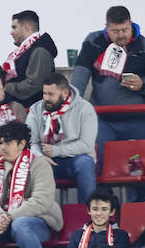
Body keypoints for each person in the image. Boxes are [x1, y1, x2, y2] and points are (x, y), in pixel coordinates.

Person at [69, 5, 145, 173]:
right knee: (100, 169)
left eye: (125, 30)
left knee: (139, 172)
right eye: (115, 31)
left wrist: (143, 85)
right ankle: (101, 192)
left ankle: (136, 192)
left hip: (140, 121)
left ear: (131, 24)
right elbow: (80, 78)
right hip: (102, 120)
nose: (121, 35)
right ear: (106, 27)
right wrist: (71, 103)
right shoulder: (93, 42)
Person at [25, 72, 99, 203]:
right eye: (44, 93)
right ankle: (36, 212)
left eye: (51, 94)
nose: (46, 98)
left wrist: (57, 151)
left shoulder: (85, 108)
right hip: (46, 160)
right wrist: (39, 157)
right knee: (29, 165)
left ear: (65, 93)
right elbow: (31, 142)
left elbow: (86, 144)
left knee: (85, 164)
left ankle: (87, 212)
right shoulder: (36, 109)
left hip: (76, 158)